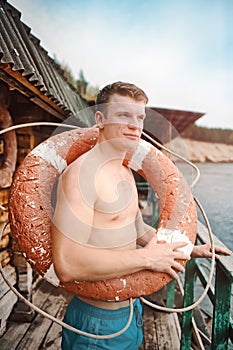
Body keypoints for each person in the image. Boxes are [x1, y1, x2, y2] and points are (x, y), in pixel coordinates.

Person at [51, 81, 231, 350]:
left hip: (130, 312)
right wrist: (148, 258)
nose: (136, 125)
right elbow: (66, 266)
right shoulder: (82, 176)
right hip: (96, 324)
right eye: (124, 115)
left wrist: (189, 250)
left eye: (140, 117)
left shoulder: (124, 171)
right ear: (100, 119)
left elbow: (137, 229)